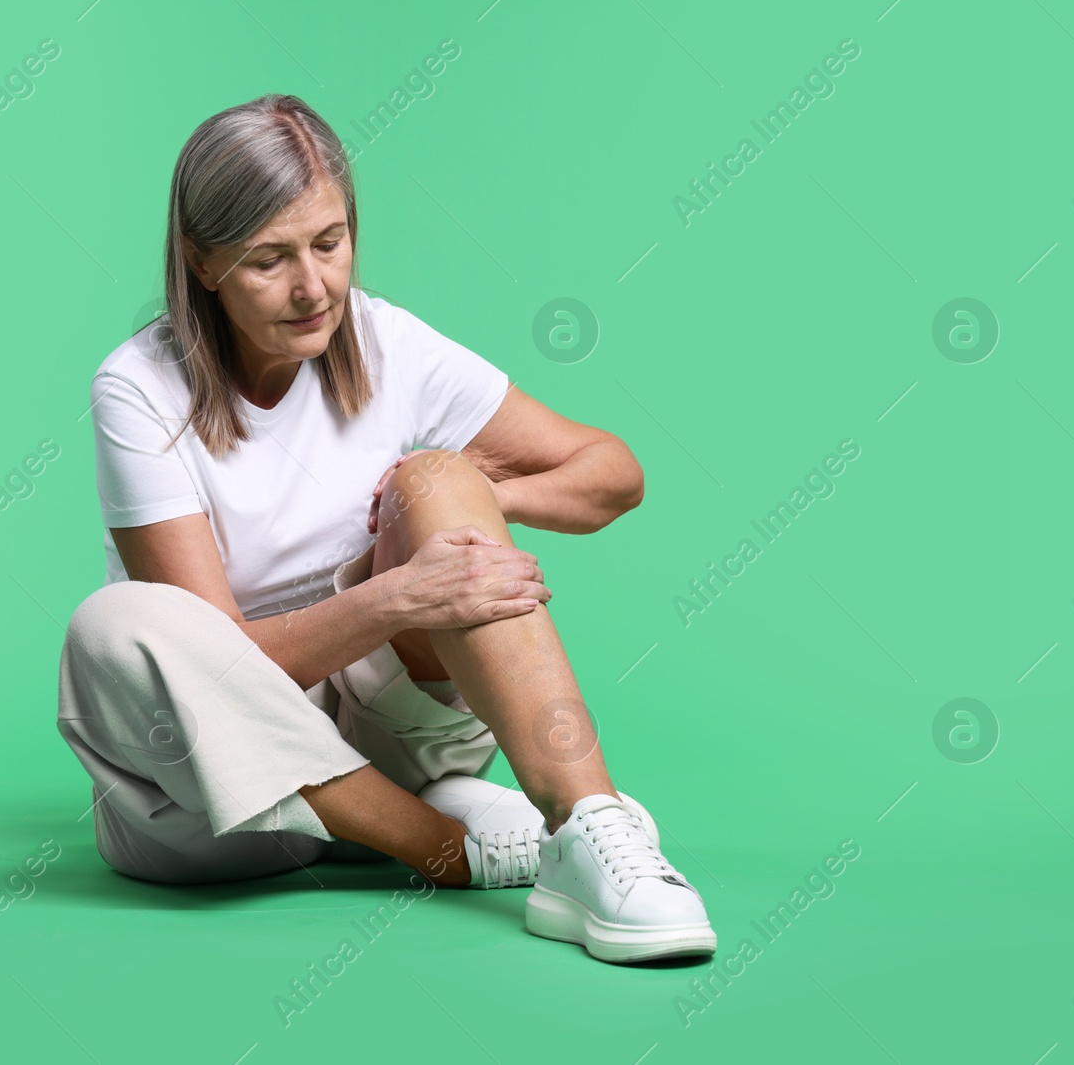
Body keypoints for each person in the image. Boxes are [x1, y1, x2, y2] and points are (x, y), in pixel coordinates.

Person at [56, 93, 716, 963]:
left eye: (330, 242)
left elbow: (612, 474)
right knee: (112, 626)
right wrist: (400, 596)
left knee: (435, 478)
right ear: (203, 262)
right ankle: (437, 842)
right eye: (268, 259)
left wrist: (481, 491)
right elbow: (219, 670)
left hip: (388, 728)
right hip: (207, 812)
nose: (314, 287)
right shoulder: (138, 389)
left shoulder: (384, 341)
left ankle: (589, 828)